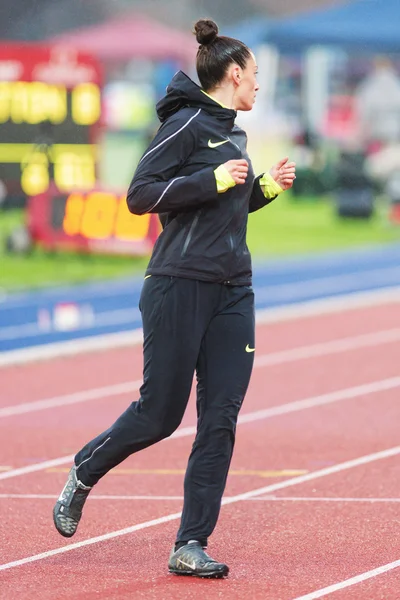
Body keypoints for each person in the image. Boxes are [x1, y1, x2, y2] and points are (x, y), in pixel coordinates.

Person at [53, 18, 296, 579]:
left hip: (234, 289)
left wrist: (262, 189)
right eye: (255, 75)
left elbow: (222, 212)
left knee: (221, 419)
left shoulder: (234, 132)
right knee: (160, 414)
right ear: (233, 74)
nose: (259, 85)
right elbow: (139, 195)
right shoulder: (186, 125)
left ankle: (191, 542)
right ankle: (85, 469)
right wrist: (209, 181)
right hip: (178, 284)